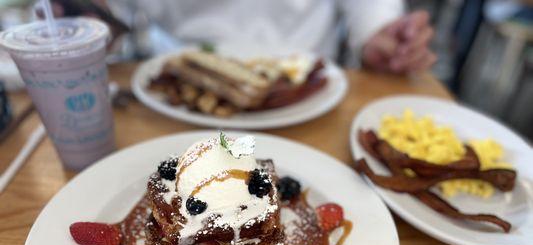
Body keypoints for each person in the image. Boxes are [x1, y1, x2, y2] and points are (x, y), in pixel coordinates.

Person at [53, 0, 436, 74]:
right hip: (179, 75)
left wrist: (377, 31)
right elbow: (109, 15)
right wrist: (89, 17)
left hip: (303, 75)